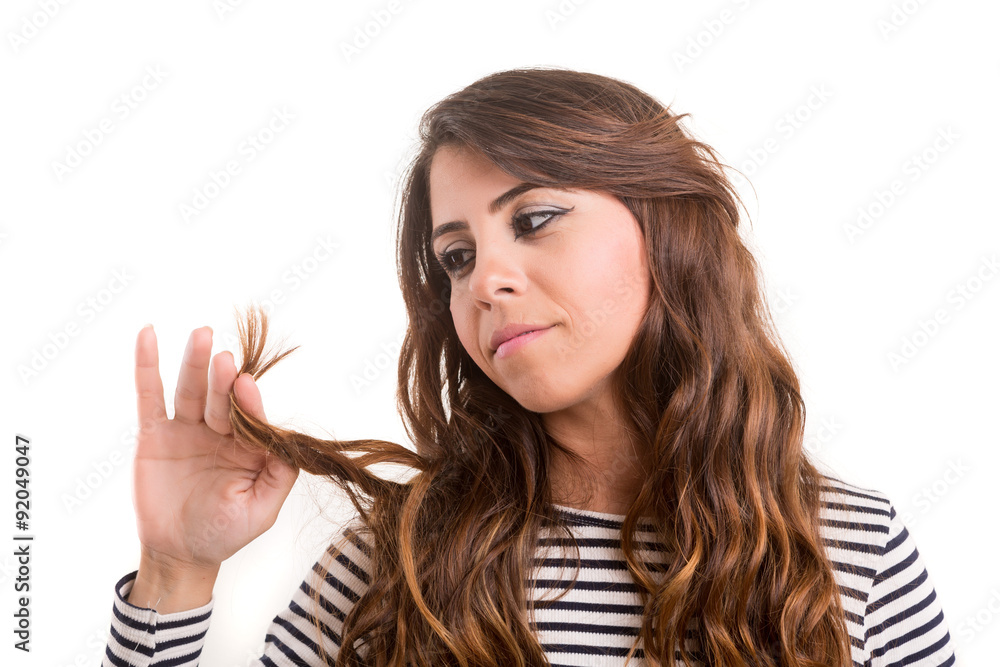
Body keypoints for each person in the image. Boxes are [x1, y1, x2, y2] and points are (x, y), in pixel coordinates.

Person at [102, 67, 956, 667]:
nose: (485, 281)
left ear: (667, 227)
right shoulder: (397, 560)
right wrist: (175, 571)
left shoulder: (855, 553)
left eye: (535, 218)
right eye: (458, 256)